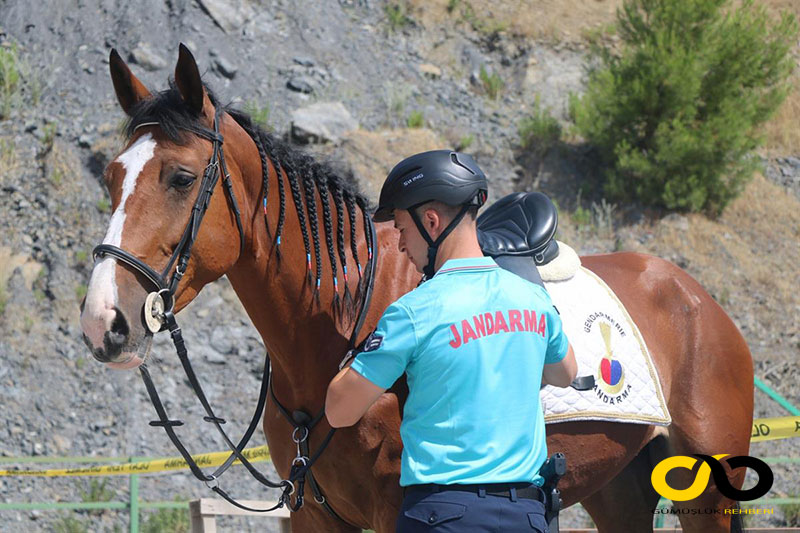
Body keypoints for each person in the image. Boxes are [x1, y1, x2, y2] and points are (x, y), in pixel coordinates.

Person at [326, 150, 577, 532]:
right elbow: (565, 372)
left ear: (431, 221)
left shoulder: (413, 312)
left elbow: (339, 411)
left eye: (402, 229)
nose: (402, 244)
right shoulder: (532, 298)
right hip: (526, 516)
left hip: (443, 515)